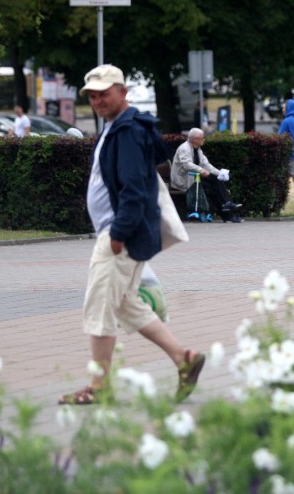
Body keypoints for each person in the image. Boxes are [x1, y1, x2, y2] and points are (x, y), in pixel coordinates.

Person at [59, 64, 205, 405]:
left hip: (117, 234)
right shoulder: (123, 125)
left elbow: (134, 187)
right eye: (92, 96)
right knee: (125, 304)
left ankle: (98, 387)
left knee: (99, 307)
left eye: (104, 94)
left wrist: (118, 233)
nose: (97, 101)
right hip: (119, 231)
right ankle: (184, 358)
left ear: (122, 92)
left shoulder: (126, 130)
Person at [171, 128, 244, 223]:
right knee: (214, 187)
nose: (204, 139)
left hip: (193, 178)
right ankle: (228, 214)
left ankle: (227, 209)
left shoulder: (197, 150)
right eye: (202, 138)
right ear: (195, 139)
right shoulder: (184, 149)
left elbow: (207, 165)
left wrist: (220, 174)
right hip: (183, 181)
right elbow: (187, 164)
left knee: (216, 183)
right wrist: (201, 170)